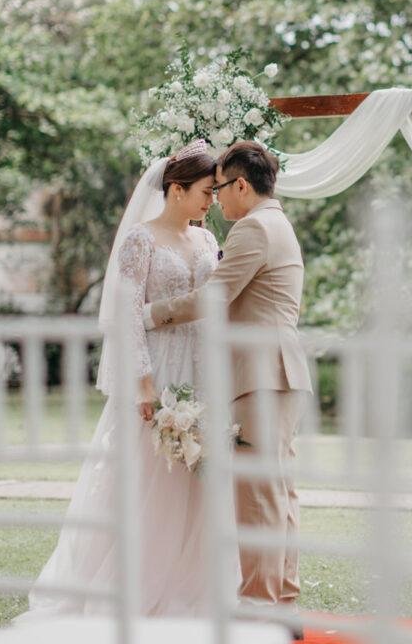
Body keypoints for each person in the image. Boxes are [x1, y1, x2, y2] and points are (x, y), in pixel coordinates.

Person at [22, 140, 240, 618]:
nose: (212, 201)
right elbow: (124, 315)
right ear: (176, 189)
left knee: (198, 480)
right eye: (206, 191)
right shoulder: (140, 240)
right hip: (158, 368)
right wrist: (143, 385)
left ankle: (193, 585)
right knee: (146, 476)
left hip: (202, 366)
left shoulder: (206, 240)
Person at [144, 140, 312, 612]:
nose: (216, 200)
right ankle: (284, 600)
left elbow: (212, 298)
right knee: (279, 491)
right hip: (278, 371)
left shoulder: (254, 228)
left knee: (258, 495)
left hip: (261, 372)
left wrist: (150, 314)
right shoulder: (276, 222)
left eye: (220, 189)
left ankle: (261, 603)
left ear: (242, 184)